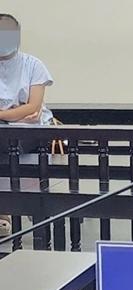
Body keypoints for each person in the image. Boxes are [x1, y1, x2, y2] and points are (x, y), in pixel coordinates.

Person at [0, 13, 55, 237]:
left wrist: (5, 115)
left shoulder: (33, 65)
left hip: (30, 134)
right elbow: (24, 111)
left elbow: (33, 108)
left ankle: (18, 209)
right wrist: (14, 114)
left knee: (13, 145)